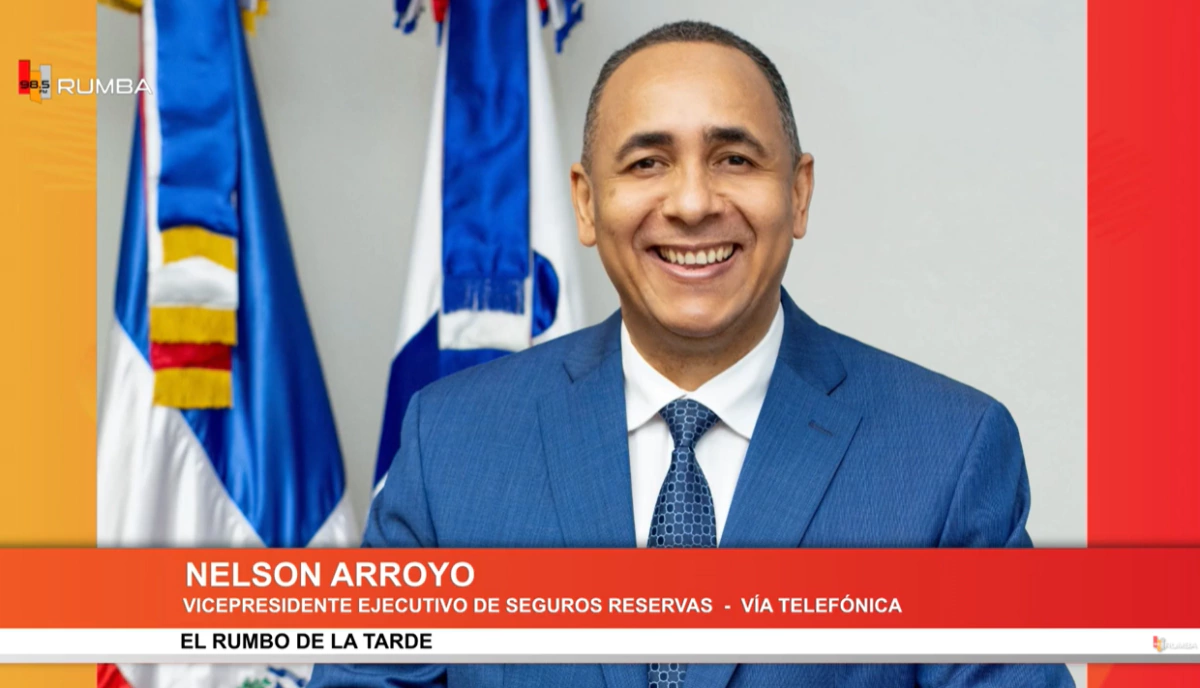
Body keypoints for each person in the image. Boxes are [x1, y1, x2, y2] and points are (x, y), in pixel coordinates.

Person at [310, 20, 1074, 688]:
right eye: (647, 162)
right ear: (586, 202)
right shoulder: (452, 444)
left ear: (799, 193)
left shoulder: (947, 453)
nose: (692, 203)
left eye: (734, 159)